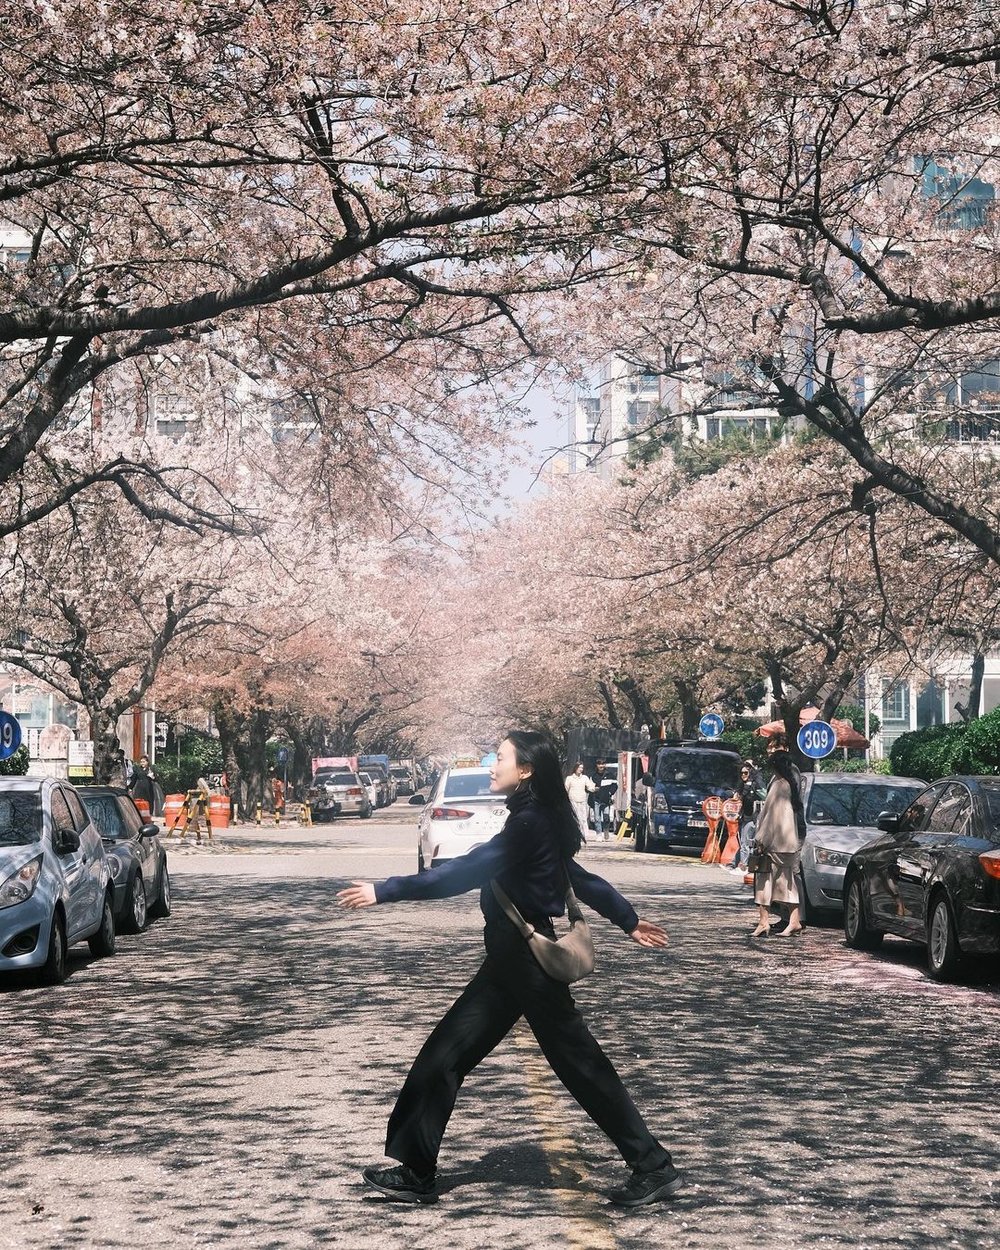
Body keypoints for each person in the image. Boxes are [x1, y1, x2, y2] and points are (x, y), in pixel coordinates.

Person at [337, 730, 681, 1208]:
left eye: (500, 758)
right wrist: (627, 919)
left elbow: (466, 872)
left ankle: (653, 1165)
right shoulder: (531, 819)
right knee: (446, 1055)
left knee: (579, 1063)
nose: (492, 766)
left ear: (526, 770)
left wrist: (385, 891)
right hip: (507, 961)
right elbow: (577, 878)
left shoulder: (530, 823)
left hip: (526, 960)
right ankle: (416, 1170)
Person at [751, 738, 805, 938]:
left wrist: (760, 840)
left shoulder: (779, 785)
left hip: (774, 842)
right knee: (786, 881)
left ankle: (764, 921)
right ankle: (793, 921)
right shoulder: (789, 784)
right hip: (787, 843)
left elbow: (771, 817)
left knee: (764, 881)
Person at [564, 761, 595, 841]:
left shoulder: (584, 778)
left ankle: (583, 835)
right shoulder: (569, 778)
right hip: (572, 801)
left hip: (582, 801)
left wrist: (594, 787)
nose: (581, 769)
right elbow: (565, 789)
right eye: (579, 767)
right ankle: (574, 834)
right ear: (575, 768)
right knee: (575, 818)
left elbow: (590, 787)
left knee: (583, 818)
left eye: (582, 768)